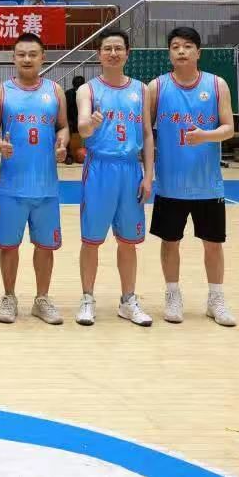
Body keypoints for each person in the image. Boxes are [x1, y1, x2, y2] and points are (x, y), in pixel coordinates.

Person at [148, 26, 236, 327]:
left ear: (198, 52)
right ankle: (173, 295)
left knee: (213, 243)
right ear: (169, 53)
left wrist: (205, 136)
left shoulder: (217, 84)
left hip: (208, 184)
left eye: (187, 46)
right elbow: (146, 132)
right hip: (170, 184)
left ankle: (216, 298)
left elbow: (229, 128)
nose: (181, 51)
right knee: (170, 241)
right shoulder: (157, 87)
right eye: (175, 46)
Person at [74, 29, 154, 327]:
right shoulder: (88, 90)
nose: (113, 53)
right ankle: (87, 299)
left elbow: (147, 134)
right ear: (99, 54)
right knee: (91, 240)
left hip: (131, 170)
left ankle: (128, 300)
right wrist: (91, 124)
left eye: (118, 48)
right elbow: (82, 128)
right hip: (100, 169)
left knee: (128, 242)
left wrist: (149, 175)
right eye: (107, 48)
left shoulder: (141, 90)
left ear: (127, 53)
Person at [0, 33, 68, 325]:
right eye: (21, 54)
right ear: (13, 58)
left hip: (46, 185)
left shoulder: (55, 91)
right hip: (13, 185)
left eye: (33, 54)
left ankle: (41, 299)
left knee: (45, 246)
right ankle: (9, 297)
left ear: (42, 57)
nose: (27, 59)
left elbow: (63, 127)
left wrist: (62, 143)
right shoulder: (1, 92)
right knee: (9, 245)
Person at [64, 75, 86, 165]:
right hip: (71, 121)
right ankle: (68, 155)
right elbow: (65, 110)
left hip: (83, 120)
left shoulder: (87, 93)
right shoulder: (68, 94)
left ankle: (91, 153)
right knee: (67, 128)